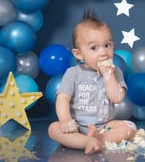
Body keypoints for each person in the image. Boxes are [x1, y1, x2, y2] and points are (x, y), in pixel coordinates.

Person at [48, 10, 136, 154]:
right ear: (79, 54)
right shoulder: (73, 73)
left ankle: (99, 139)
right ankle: (86, 141)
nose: (103, 52)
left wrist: (108, 76)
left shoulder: (116, 72)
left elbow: (117, 98)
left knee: (129, 127)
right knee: (53, 129)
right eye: (94, 48)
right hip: (76, 126)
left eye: (107, 45)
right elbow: (62, 99)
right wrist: (65, 121)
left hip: (105, 126)